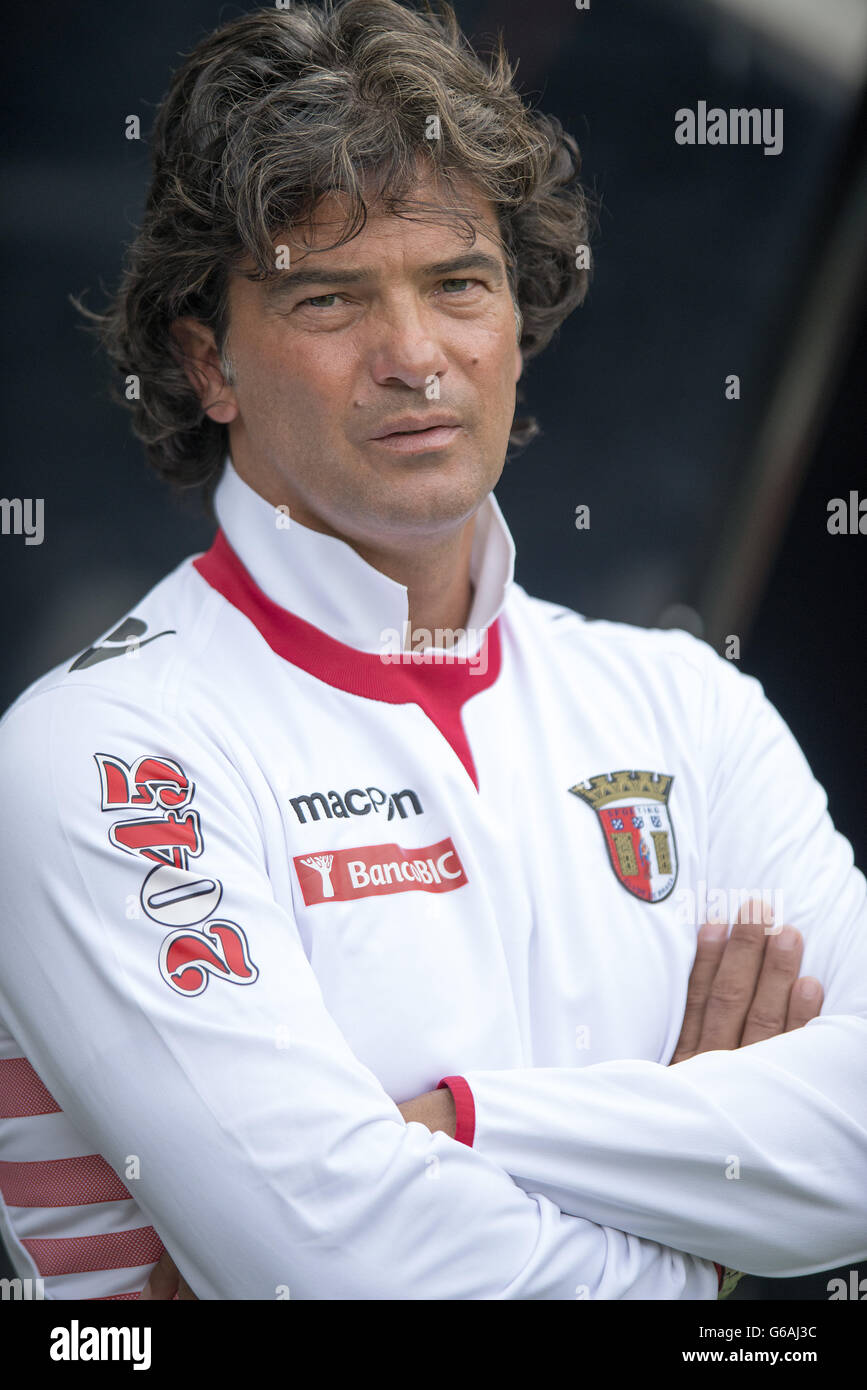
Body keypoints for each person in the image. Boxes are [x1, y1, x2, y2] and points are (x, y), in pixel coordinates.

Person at [0, 0, 864, 1302]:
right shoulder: (100, 753)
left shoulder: (688, 708)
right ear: (208, 361)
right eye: (328, 297)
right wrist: (713, 1229)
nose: (414, 357)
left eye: (459, 282)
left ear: (519, 312)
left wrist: (462, 1122)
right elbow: (346, 1274)